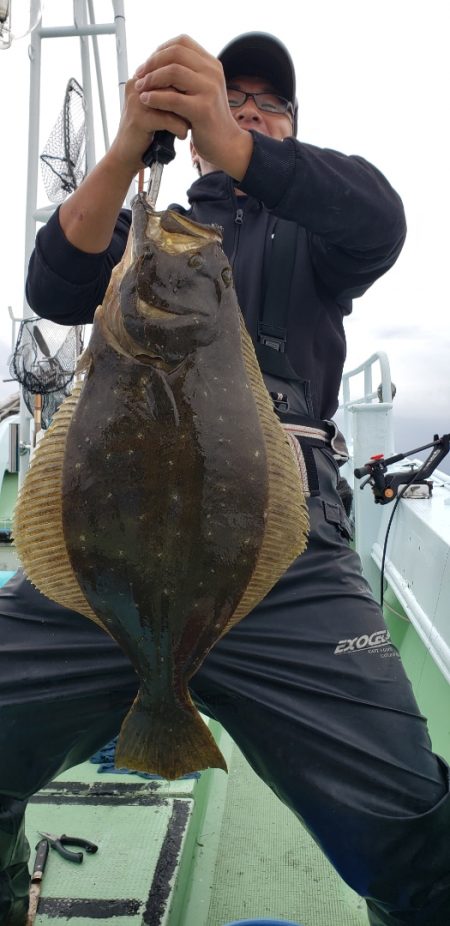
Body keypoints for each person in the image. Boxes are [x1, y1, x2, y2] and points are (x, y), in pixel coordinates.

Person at [1, 31, 449, 926]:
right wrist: (130, 142)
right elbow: (55, 286)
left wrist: (238, 144)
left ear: (288, 127)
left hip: (286, 557)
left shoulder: (318, 230)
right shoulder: (150, 224)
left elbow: (382, 218)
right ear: (193, 139)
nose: (247, 108)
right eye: (231, 98)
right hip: (111, 558)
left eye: (267, 102)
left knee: (415, 827)